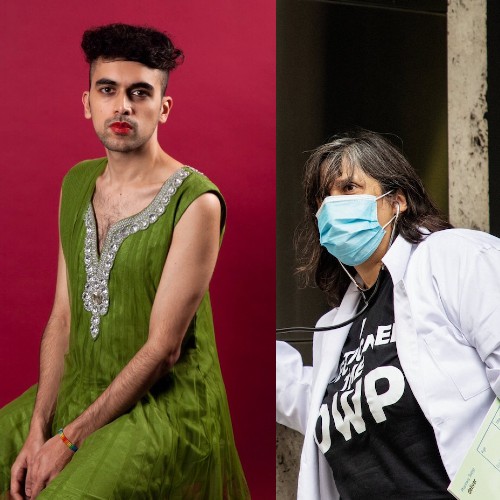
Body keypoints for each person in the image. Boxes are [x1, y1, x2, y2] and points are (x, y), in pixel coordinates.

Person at [0, 23, 249, 499]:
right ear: (87, 102)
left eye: (140, 93)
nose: (123, 106)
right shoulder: (76, 184)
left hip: (163, 407)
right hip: (81, 389)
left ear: (163, 107)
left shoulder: (196, 202)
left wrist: (69, 440)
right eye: (108, 90)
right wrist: (39, 428)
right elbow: (64, 315)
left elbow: (163, 350)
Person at [276, 130, 500, 499]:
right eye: (322, 197)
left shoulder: (452, 257)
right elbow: (312, 401)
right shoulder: (334, 327)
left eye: (348, 188)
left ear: (397, 200)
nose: (332, 205)